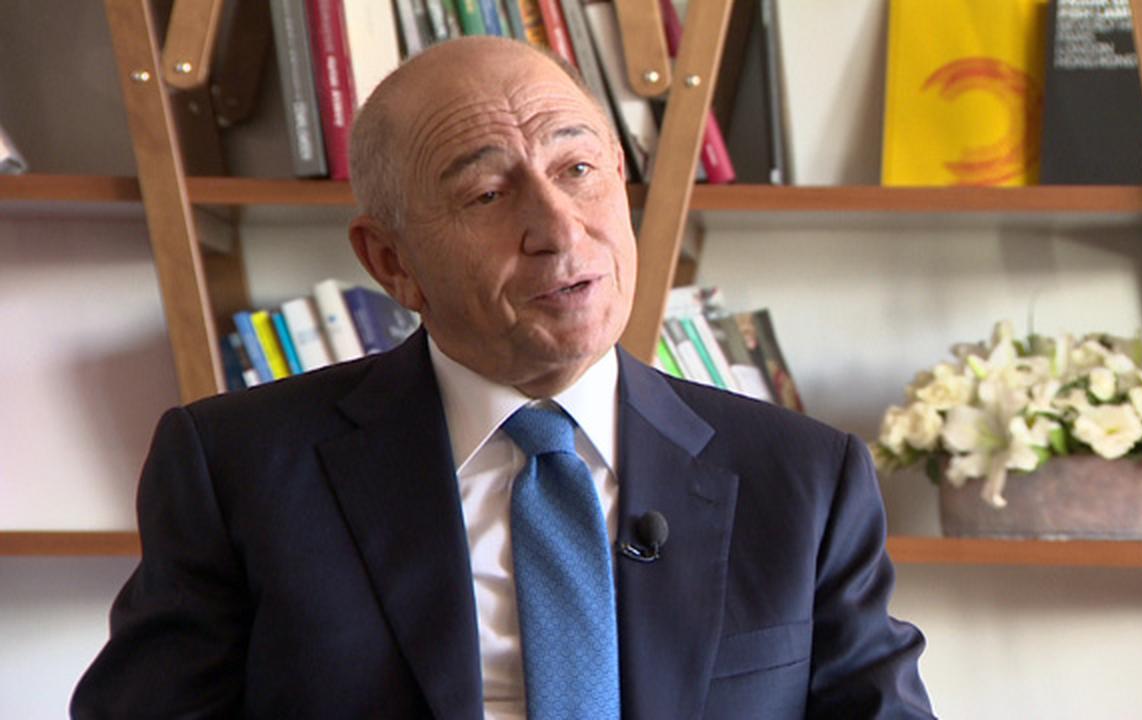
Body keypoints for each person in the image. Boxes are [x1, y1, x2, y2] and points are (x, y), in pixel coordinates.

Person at [72, 36, 932, 719]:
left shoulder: (805, 478)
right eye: (487, 193)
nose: (559, 230)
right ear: (391, 261)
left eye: (578, 170)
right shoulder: (236, 469)